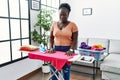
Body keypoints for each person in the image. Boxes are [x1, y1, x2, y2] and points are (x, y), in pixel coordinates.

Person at [49, 3, 78, 80]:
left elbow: (75, 39)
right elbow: (51, 38)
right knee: (54, 71)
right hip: (56, 50)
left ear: (68, 14)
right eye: (60, 14)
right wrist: (51, 47)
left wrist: (71, 49)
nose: (62, 16)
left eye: (64, 14)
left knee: (66, 72)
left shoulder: (73, 25)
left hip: (67, 51)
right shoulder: (54, 24)